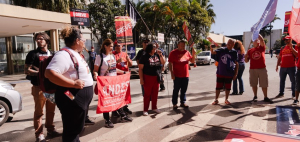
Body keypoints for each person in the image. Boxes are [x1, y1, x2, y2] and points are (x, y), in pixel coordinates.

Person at [45, 26, 93, 142]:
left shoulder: (74, 53)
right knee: (71, 130)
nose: (84, 42)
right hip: (70, 97)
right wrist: (73, 83)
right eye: (83, 39)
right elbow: (49, 73)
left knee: (75, 129)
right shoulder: (64, 54)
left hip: (76, 99)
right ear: (77, 41)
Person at [24, 32, 59, 142]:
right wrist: (41, 74)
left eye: (41, 38)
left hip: (51, 87)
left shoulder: (53, 53)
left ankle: (50, 129)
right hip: (38, 87)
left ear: (47, 40)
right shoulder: (32, 54)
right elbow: (27, 70)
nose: (39, 41)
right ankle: (39, 134)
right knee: (39, 112)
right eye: (37, 39)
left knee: (51, 110)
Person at [93, 39, 132, 128]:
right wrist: (95, 75)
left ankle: (123, 116)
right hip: (104, 84)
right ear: (105, 46)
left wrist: (124, 72)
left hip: (113, 83)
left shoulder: (112, 56)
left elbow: (113, 69)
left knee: (116, 99)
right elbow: (95, 70)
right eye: (110, 46)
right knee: (106, 102)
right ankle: (107, 120)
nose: (112, 48)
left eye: (112, 46)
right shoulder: (100, 57)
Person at [245, 34, 273, 103]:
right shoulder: (250, 50)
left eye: (257, 40)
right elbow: (246, 61)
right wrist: (245, 56)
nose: (256, 40)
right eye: (254, 40)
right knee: (254, 83)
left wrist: (257, 33)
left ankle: (265, 97)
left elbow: (262, 40)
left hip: (262, 68)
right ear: (252, 42)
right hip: (252, 69)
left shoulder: (261, 48)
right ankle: (255, 96)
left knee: (264, 83)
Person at [139, 43, 165, 116]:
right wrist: (141, 79)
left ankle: (154, 107)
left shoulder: (157, 55)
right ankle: (145, 109)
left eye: (155, 48)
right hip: (147, 77)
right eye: (154, 48)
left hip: (156, 77)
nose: (155, 49)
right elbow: (140, 69)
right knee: (147, 94)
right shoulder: (144, 56)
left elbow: (163, 62)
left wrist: (160, 55)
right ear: (150, 48)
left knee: (155, 93)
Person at [168, 40, 196, 110]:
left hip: (185, 75)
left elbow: (192, 61)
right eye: (181, 45)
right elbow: (170, 63)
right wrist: (172, 73)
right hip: (177, 75)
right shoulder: (173, 53)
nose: (182, 47)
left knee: (184, 90)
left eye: (183, 45)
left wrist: (194, 54)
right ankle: (174, 103)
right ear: (178, 45)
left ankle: (182, 102)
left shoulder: (187, 52)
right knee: (176, 90)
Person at [211, 39, 238, 105]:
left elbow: (236, 63)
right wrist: (211, 48)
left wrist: (235, 74)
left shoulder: (234, 52)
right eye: (228, 43)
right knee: (218, 87)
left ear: (233, 45)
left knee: (228, 87)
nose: (228, 44)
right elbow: (213, 52)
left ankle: (226, 99)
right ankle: (216, 100)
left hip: (229, 72)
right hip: (220, 72)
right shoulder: (222, 49)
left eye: (230, 43)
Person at [112, 40, 133, 115]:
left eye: (119, 45)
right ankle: (114, 110)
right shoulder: (112, 54)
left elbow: (130, 64)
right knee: (117, 94)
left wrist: (128, 60)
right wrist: (117, 61)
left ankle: (125, 107)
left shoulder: (125, 54)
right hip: (117, 78)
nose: (118, 47)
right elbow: (109, 65)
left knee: (125, 93)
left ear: (122, 46)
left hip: (125, 77)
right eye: (117, 45)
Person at [275, 35, 297, 99]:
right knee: (282, 80)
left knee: (293, 81)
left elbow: (297, 55)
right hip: (283, 67)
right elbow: (280, 57)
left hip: (292, 67)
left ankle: (294, 94)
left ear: (291, 40)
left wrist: (292, 48)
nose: (286, 41)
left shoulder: (295, 46)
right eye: (285, 40)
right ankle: (281, 93)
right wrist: (277, 65)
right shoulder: (283, 47)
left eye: (287, 39)